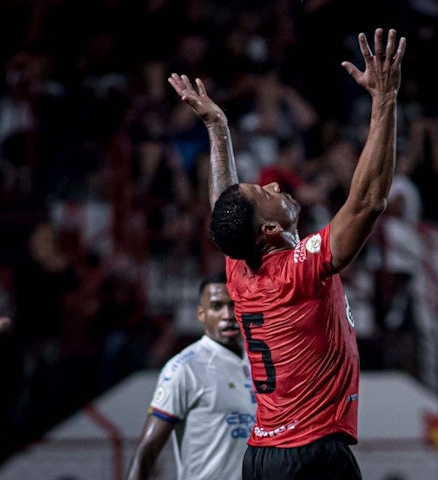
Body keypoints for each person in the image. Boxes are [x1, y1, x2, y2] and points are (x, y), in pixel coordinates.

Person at [168, 27, 405, 480]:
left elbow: (226, 209)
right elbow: (369, 200)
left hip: (263, 456)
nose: (276, 185)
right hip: (311, 455)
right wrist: (385, 101)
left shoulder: (241, 266)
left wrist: (219, 129)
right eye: (266, 192)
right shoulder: (295, 272)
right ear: (271, 229)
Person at [126, 272, 255, 480]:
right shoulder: (185, 368)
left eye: (234, 305)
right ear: (201, 313)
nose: (228, 315)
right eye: (216, 306)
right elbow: (147, 450)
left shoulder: (259, 361)